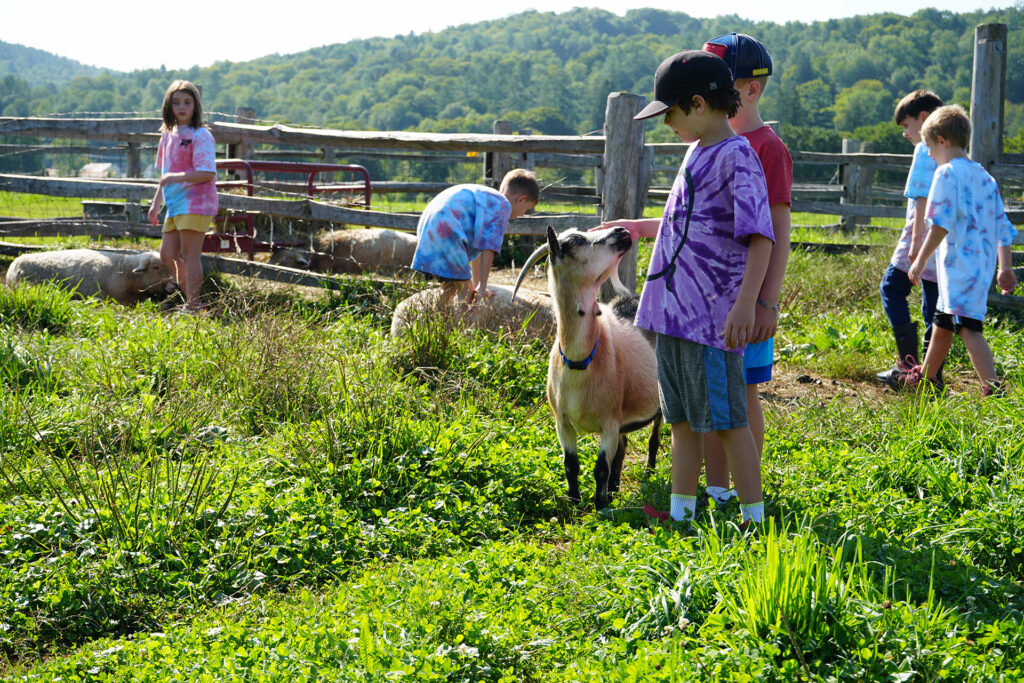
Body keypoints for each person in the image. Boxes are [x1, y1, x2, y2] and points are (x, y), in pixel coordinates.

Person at [601, 50, 774, 526]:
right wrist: (642, 227)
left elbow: (760, 236)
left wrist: (746, 306)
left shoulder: (737, 156)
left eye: (670, 113)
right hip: (671, 314)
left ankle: (753, 517)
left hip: (712, 320)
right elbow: (689, 224)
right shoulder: (698, 151)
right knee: (680, 417)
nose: (666, 124)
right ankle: (681, 514)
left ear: (698, 104)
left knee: (727, 418)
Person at [699, 32, 792, 507]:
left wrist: (764, 301)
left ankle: (745, 486)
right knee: (716, 393)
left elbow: (777, 229)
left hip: (747, 298)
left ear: (750, 90)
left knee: (744, 393)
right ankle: (718, 489)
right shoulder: (712, 143)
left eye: (718, 85)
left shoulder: (766, 148)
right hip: (710, 299)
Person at [905, 104, 1018, 395]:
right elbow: (1001, 226)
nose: (928, 153)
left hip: (958, 266)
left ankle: (994, 388)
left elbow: (940, 224)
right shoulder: (985, 177)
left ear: (942, 140)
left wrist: (920, 260)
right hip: (981, 267)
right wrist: (1005, 267)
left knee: (968, 326)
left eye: (929, 146)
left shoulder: (945, 174)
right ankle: (927, 379)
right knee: (944, 319)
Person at [875, 90, 945, 388]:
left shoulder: (923, 150)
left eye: (906, 125)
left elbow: (920, 198)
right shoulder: (949, 151)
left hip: (919, 239)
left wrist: (915, 245)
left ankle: (908, 366)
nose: (905, 133)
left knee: (891, 288)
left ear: (924, 118)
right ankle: (932, 376)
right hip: (943, 244)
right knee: (933, 309)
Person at [411, 169, 539, 305]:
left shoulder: (486, 199)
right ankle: (463, 324)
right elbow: (488, 248)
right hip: (448, 232)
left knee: (451, 287)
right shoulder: (502, 205)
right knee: (466, 295)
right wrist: (482, 287)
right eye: (526, 209)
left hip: (430, 225)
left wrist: (477, 283)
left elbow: (477, 250)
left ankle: (438, 320)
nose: (523, 214)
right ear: (521, 199)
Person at [147, 80, 217, 314]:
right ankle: (192, 300)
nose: (182, 106)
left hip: (196, 202)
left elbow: (207, 173)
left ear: (196, 106)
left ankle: (194, 305)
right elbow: (165, 176)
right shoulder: (167, 135)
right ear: (168, 105)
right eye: (176, 102)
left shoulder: (201, 135)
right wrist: (157, 204)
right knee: (167, 255)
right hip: (174, 205)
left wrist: (175, 178)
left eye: (187, 102)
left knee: (190, 255)